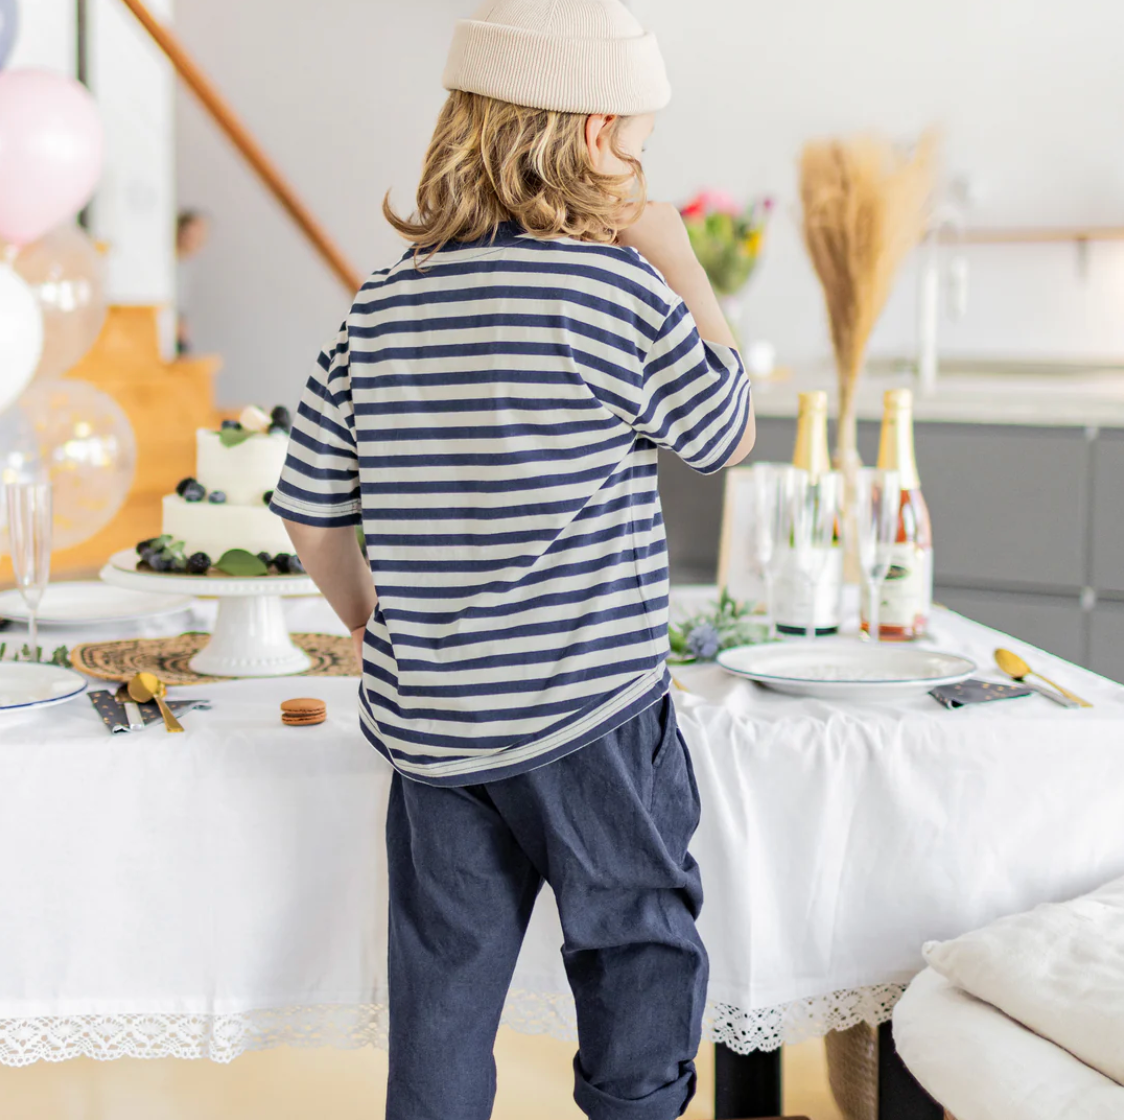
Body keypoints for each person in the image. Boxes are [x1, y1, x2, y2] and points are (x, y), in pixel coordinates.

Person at [271, 2, 756, 1116]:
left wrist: (364, 618)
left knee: (442, 983)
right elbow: (722, 430)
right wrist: (676, 254)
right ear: (594, 137)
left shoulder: (381, 303)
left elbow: (307, 508)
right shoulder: (618, 291)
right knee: (635, 945)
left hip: (433, 722)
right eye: (638, 146)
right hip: (592, 712)